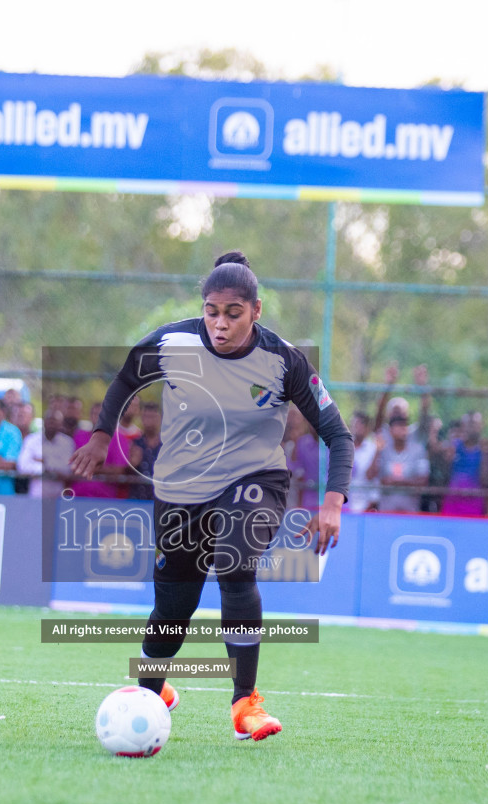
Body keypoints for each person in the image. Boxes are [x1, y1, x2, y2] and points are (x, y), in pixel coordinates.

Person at [71, 251, 353, 743]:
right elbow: (124, 380)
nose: (220, 324)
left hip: (256, 480)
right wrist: (101, 435)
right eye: (211, 312)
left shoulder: (284, 360)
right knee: (172, 607)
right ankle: (151, 691)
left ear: (256, 311)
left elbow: (336, 432)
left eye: (233, 314)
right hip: (180, 489)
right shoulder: (173, 341)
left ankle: (245, 704)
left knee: (235, 563)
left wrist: (333, 502)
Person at [369, 413, 429, 513]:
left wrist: (398, 481)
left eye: (405, 426)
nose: (403, 429)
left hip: (410, 511)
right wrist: (377, 451)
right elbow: (371, 476)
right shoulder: (384, 450)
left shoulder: (418, 450)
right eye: (399, 426)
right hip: (387, 511)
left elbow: (423, 481)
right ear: (391, 430)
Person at [19, 408, 75, 499]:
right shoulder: (31, 440)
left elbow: (67, 468)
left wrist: (44, 461)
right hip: (36, 495)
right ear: (44, 422)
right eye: (49, 420)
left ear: (61, 424)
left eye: (55, 421)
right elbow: (23, 466)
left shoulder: (67, 443)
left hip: (59, 495)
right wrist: (44, 469)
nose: (51, 424)